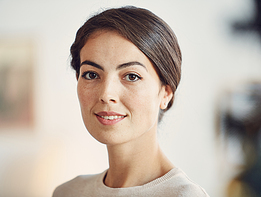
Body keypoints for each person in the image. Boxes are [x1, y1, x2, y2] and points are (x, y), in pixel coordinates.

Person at [53, 6, 209, 197]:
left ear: (165, 93)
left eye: (132, 76)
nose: (106, 93)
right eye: (92, 74)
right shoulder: (68, 192)